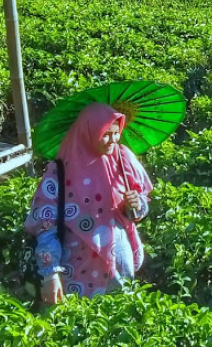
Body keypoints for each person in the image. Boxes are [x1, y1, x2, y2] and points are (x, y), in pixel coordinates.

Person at [25, 102, 153, 306]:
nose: (113, 140)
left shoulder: (122, 159)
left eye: (116, 133)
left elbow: (141, 205)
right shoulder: (60, 170)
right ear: (88, 132)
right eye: (106, 134)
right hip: (76, 267)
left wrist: (136, 204)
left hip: (118, 261)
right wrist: (50, 274)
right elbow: (46, 224)